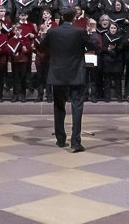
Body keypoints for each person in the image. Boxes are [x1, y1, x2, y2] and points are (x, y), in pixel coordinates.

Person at [41, 9, 95, 152]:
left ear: (61, 18)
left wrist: (44, 33)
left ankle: (60, 139)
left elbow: (41, 47)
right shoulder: (79, 32)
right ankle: (76, 142)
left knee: (59, 107)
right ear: (74, 17)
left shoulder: (53, 32)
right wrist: (92, 33)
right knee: (77, 107)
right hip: (76, 74)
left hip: (58, 74)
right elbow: (95, 47)